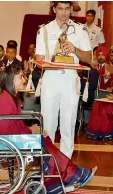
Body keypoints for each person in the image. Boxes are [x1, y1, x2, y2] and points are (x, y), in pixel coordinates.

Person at [0, 65, 97, 194]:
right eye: (20, 77)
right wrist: (30, 130)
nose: (23, 80)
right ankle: (71, 174)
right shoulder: (4, 100)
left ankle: (66, 175)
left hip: (12, 137)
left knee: (44, 140)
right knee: (44, 143)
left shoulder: (9, 97)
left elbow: (14, 123)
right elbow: (6, 129)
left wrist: (33, 129)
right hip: (6, 140)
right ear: (11, 79)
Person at [36, 1, 92, 158]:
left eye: (67, 9)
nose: (64, 13)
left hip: (70, 78)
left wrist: (74, 49)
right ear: (54, 9)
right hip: (50, 78)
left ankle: (66, 165)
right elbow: (39, 57)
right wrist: (42, 59)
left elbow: (89, 58)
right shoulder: (44, 30)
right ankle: (48, 163)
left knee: (68, 123)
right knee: (48, 123)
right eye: (60, 8)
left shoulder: (80, 30)